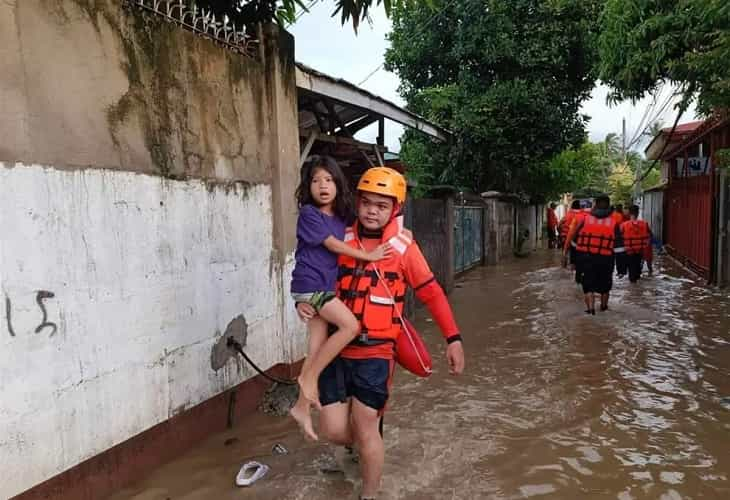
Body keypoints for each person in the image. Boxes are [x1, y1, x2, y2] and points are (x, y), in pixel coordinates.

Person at [296, 167, 465, 500]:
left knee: (366, 424)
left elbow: (431, 292)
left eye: (382, 205)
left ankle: (369, 494)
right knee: (333, 429)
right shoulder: (339, 236)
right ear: (357, 203)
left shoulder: (403, 248)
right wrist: (303, 303)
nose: (373, 211)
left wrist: (453, 338)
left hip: (376, 352)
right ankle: (357, 444)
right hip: (336, 349)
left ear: (395, 209)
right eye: (367, 203)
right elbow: (311, 273)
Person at [289, 156, 392, 441]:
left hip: (320, 290)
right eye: (315, 180)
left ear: (338, 184)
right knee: (350, 326)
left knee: (316, 347)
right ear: (307, 186)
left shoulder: (341, 217)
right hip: (312, 286)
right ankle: (308, 380)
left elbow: (372, 217)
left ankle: (301, 406)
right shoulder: (310, 214)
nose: (322, 185)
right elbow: (333, 245)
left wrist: (400, 231)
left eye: (328, 179)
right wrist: (369, 256)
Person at [563, 194, 624, 314]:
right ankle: (603, 307)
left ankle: (590, 310)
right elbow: (619, 249)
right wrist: (622, 269)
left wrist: (573, 261)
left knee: (588, 285)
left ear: (595, 205)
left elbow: (574, 243)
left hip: (586, 259)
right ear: (608, 206)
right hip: (606, 260)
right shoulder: (613, 223)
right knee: (605, 286)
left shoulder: (585, 220)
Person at [620, 205, 651, 283]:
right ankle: (637, 289)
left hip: (629, 251)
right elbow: (650, 236)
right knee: (637, 270)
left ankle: (633, 289)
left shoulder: (624, 225)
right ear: (638, 213)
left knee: (631, 270)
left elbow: (619, 239)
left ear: (629, 213)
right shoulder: (644, 224)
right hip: (640, 251)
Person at [558, 200, 584, 283]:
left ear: (572, 206)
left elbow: (559, 224)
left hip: (565, 237)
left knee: (565, 253)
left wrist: (560, 233)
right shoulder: (583, 215)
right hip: (578, 240)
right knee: (576, 258)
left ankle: (563, 271)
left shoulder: (568, 214)